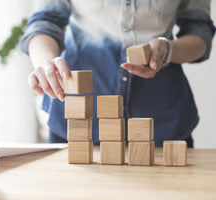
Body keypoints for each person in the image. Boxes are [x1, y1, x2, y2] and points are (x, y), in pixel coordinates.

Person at [20, 0, 215, 147]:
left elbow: (200, 31)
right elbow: (44, 21)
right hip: (77, 121)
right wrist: (46, 62)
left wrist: (168, 49)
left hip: (163, 121)